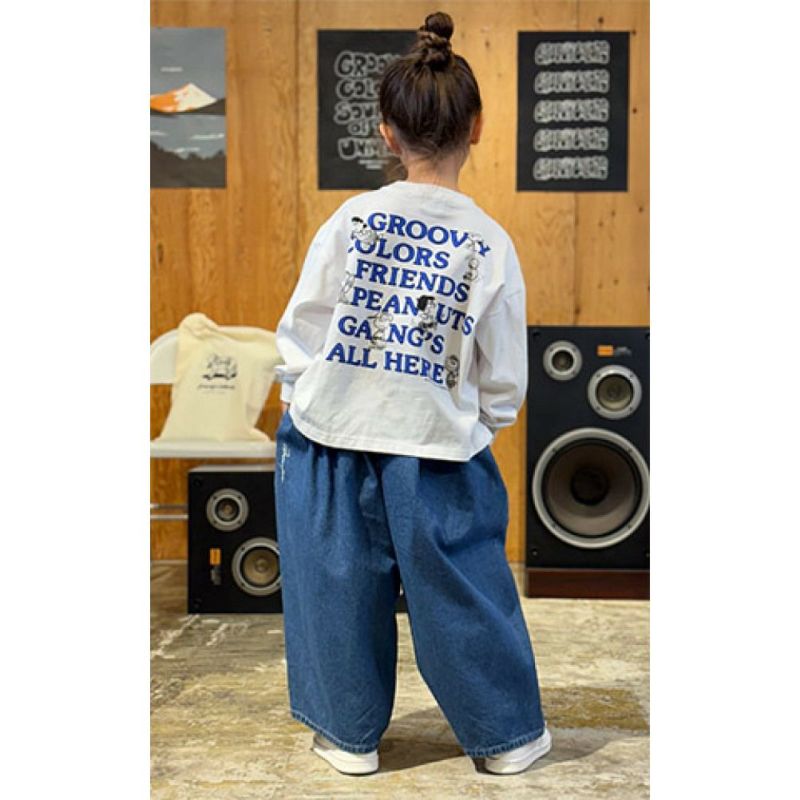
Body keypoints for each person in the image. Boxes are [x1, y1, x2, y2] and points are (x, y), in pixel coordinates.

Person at [273, 11, 550, 777]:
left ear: (387, 134)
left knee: (335, 588)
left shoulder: (352, 219)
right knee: (463, 587)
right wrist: (474, 422)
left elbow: (303, 328)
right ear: (478, 128)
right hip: (437, 443)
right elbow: (504, 374)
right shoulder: (490, 241)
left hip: (332, 433)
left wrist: (301, 397)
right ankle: (508, 737)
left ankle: (349, 735)